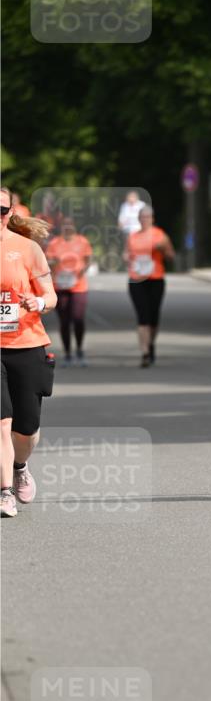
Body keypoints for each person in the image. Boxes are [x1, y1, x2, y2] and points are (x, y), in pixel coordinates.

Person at [0, 186, 57, 518]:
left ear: (10, 213)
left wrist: (38, 302)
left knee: (27, 429)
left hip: (27, 343)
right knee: (2, 423)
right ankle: (4, 492)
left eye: (1, 210)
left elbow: (50, 295)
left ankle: (20, 465)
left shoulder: (28, 248)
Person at [124, 205, 174, 367]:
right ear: (138, 219)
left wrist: (163, 249)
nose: (145, 220)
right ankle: (145, 352)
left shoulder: (160, 235)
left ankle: (151, 344)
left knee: (154, 317)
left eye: (147, 217)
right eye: (142, 217)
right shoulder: (133, 237)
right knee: (143, 316)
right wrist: (126, 258)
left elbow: (171, 256)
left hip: (155, 279)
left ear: (152, 219)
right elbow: (126, 254)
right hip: (136, 280)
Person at [45, 216, 92, 366]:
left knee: (78, 318)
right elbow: (48, 262)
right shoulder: (54, 243)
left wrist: (82, 270)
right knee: (64, 321)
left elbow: (88, 258)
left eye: (69, 224)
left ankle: (79, 349)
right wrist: (54, 262)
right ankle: (67, 353)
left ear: (74, 226)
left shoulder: (82, 241)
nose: (67, 227)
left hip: (78, 286)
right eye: (64, 224)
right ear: (61, 227)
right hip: (60, 285)